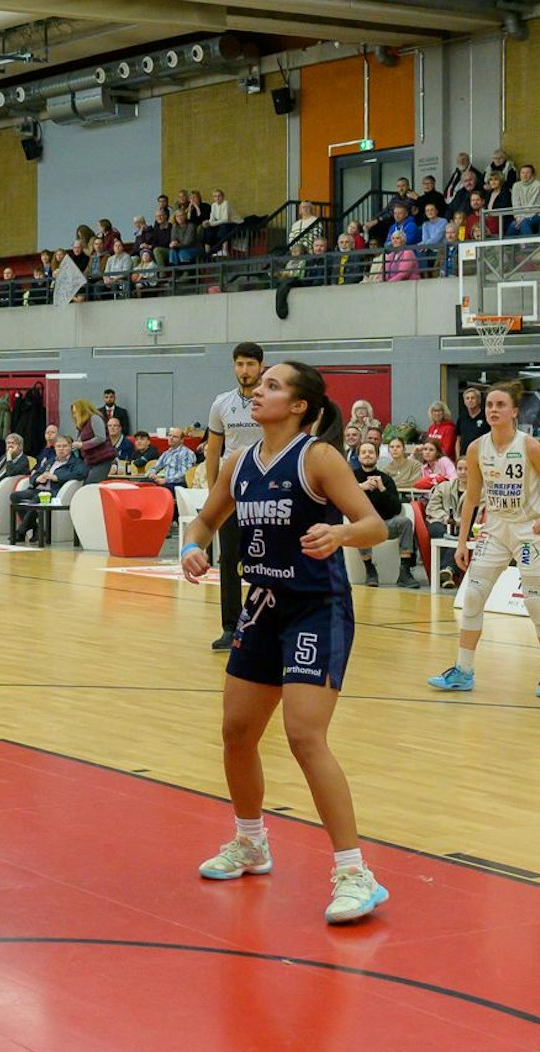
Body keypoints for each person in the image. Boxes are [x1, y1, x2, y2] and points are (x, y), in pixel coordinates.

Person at [179, 360, 391, 925]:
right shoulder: (237, 463)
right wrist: (191, 548)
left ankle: (354, 872)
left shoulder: (317, 457)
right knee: (236, 732)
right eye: (258, 383)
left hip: (316, 610)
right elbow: (204, 522)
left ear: (298, 406)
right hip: (263, 607)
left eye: (272, 385)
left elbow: (375, 524)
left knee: (303, 736)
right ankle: (251, 842)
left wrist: (341, 531)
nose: (258, 390)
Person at [428, 382, 540, 699]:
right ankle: (463, 671)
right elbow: (472, 498)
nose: (493, 409)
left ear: (514, 411)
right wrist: (462, 542)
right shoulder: (477, 448)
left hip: (529, 530)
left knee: (534, 601)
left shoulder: (530, 446)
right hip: (495, 528)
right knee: (474, 597)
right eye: (489, 404)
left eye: (500, 405)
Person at [206, 342, 265, 651]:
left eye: (250, 365)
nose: (245, 370)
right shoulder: (221, 404)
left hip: (266, 492)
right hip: (232, 492)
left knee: (266, 559)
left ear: (261, 366)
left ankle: (263, 625)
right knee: (229, 559)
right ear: (234, 366)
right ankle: (231, 627)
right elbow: (213, 450)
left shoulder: (272, 401)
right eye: (240, 364)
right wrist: (214, 491)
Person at [352, 442, 422, 588]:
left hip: (384, 525)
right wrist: (360, 487)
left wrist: (382, 489)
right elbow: (342, 498)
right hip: (362, 525)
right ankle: (370, 570)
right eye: (363, 452)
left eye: (371, 452)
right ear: (358, 457)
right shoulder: (352, 477)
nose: (367, 455)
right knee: (362, 525)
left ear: (377, 456)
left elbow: (396, 509)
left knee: (405, 522)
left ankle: (404, 571)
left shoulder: (386, 479)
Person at [13, 435, 83, 545]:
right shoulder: (50, 461)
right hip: (40, 489)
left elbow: (80, 474)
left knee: (37, 498)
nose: (61, 449)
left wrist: (57, 477)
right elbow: (35, 474)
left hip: (56, 492)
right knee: (15, 496)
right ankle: (35, 528)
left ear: (70, 447)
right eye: (58, 446)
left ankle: (22, 531)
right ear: (55, 448)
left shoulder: (76, 462)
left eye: (64, 446)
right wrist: (37, 478)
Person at [69, 398, 114, 482]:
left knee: (91, 484)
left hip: (102, 459)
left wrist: (82, 445)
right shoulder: (82, 425)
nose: (74, 415)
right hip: (91, 461)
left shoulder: (94, 418)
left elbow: (101, 437)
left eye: (76, 412)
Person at [147, 426, 196, 491]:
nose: (171, 438)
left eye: (175, 437)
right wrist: (152, 474)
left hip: (178, 485)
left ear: (182, 440)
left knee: (156, 490)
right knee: (144, 483)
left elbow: (184, 474)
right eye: (169, 435)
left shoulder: (187, 453)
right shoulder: (166, 453)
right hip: (165, 483)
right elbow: (155, 468)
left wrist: (166, 480)